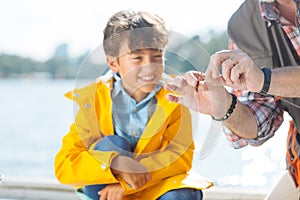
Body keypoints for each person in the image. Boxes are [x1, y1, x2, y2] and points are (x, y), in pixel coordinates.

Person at [54, 10, 212, 200]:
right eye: (137, 58)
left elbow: (180, 158)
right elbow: (65, 164)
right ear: (113, 63)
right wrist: (115, 163)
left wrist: (128, 185)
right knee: (111, 145)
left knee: (186, 195)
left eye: (157, 56)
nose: (150, 66)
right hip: (107, 191)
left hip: (154, 187)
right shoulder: (92, 100)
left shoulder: (176, 97)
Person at [165, 0, 300, 199]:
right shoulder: (243, 26)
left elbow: (262, 81)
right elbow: (260, 123)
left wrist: (263, 79)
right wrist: (224, 107)